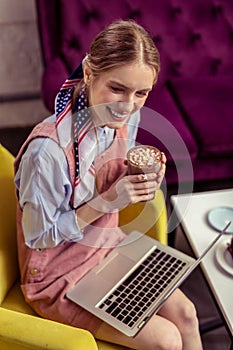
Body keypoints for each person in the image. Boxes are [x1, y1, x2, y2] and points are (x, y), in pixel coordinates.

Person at [14, 20, 203, 350]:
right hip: (56, 275)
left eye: (141, 93)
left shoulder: (126, 115)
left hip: (106, 245)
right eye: (117, 88)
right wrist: (106, 202)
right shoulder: (47, 153)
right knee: (167, 341)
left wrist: (139, 176)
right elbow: (39, 237)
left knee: (186, 314)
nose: (127, 105)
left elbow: (111, 166)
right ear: (89, 72)